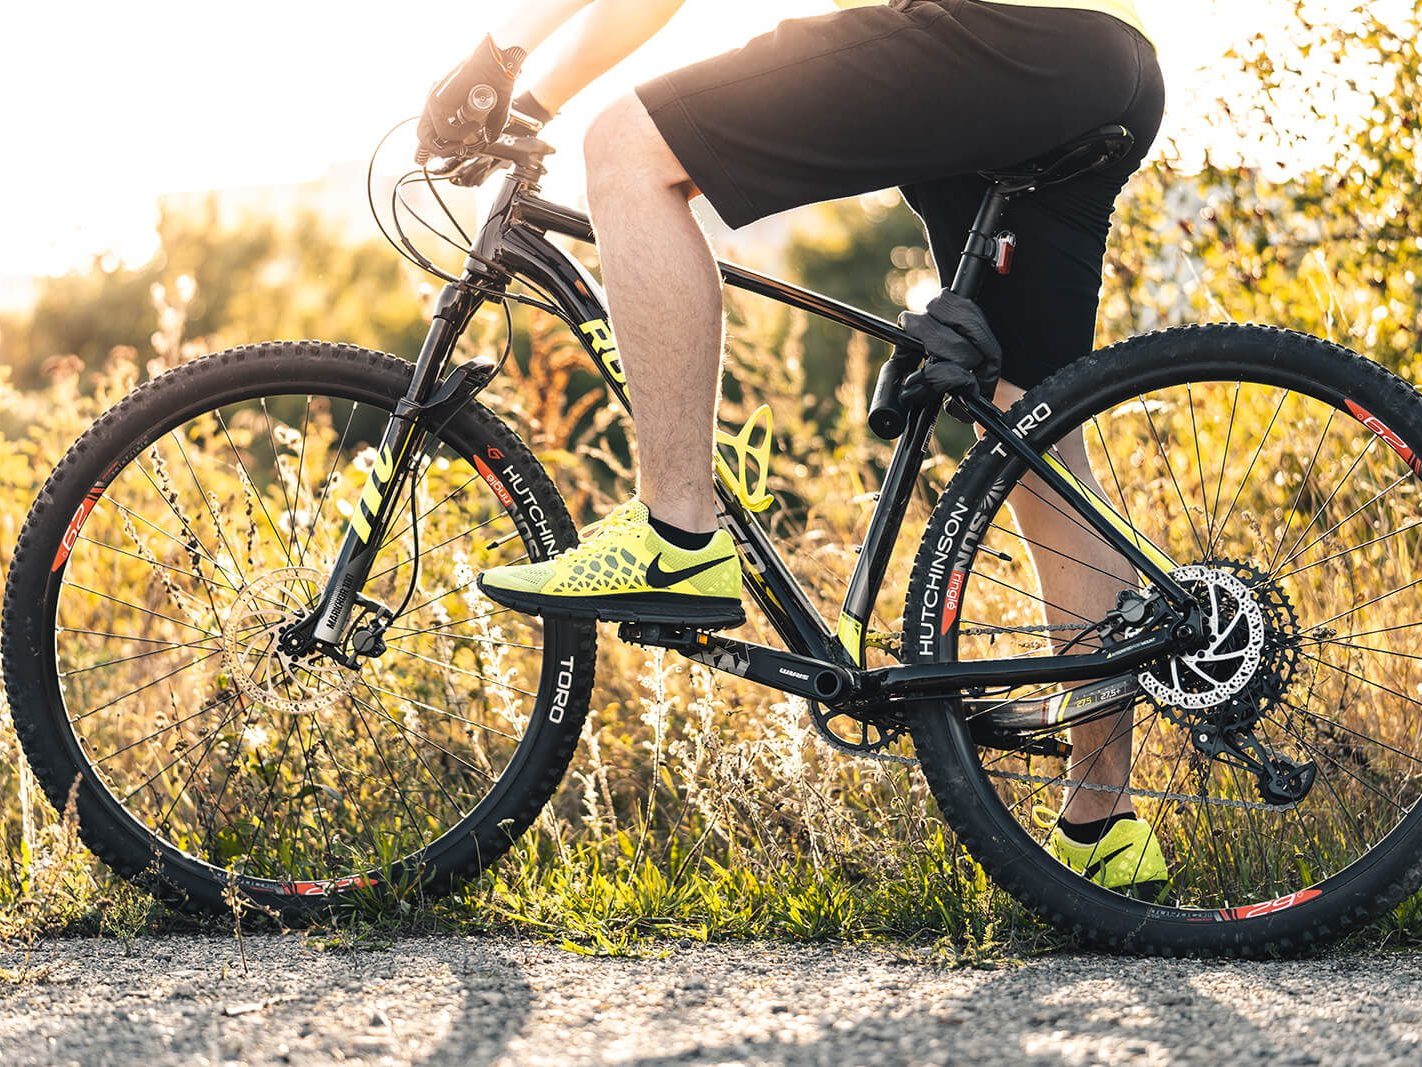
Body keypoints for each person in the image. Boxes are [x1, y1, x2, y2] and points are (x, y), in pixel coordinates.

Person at [423, 0, 1168, 892]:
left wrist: (508, 69)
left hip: (988, 39)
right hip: (1099, 62)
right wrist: (524, 92)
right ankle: (1104, 830)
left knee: (626, 150)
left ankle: (676, 533)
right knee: (1037, 439)